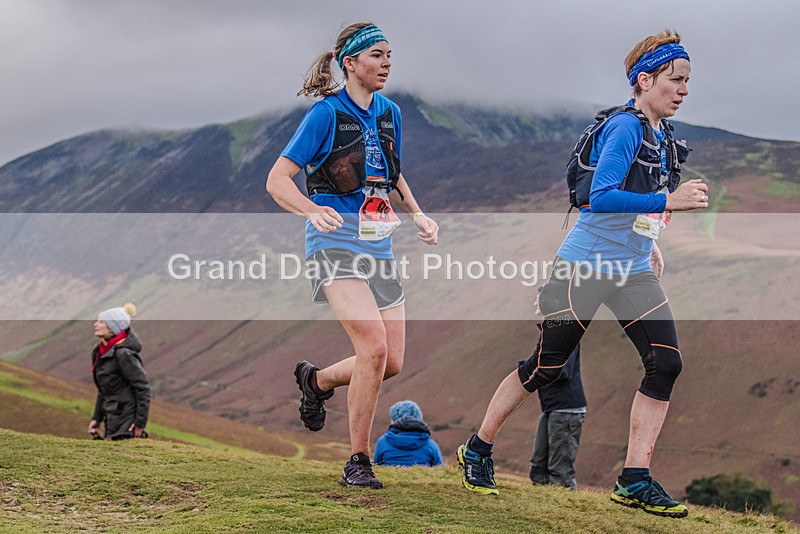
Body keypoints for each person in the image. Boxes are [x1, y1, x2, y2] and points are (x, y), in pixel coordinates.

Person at [458, 30, 707, 518]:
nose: (683, 90)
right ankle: (478, 448)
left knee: (666, 364)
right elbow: (601, 195)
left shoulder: (662, 135)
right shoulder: (626, 128)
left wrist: (651, 241)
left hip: (632, 269)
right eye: (675, 80)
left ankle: (634, 479)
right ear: (645, 80)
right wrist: (669, 200)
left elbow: (633, 201)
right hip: (585, 266)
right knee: (546, 367)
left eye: (687, 81)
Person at [266, 22, 439, 489]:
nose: (387, 63)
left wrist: (418, 213)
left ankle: (318, 381)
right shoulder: (325, 115)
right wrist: (311, 209)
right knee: (373, 348)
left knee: (391, 361)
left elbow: (391, 172)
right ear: (350, 63)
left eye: (390, 55)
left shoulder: (390, 113)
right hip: (334, 246)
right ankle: (357, 462)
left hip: (378, 246)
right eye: (377, 55)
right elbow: (277, 180)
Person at [526, 343, 586, 491]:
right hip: (550, 407)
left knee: (560, 469)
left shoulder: (569, 336)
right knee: (538, 465)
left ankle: (566, 503)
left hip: (567, 409)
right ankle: (539, 499)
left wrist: (533, 369)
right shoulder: (548, 337)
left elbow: (564, 372)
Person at [88, 303, 151, 441]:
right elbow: (104, 390)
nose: (95, 324)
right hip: (112, 416)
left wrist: (140, 423)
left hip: (127, 421)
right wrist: (97, 418)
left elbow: (142, 387)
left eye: (101, 322)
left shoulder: (124, 354)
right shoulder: (98, 352)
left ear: (112, 328)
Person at [374, 400, 445, 467]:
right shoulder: (430, 445)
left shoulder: (382, 442)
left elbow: (375, 467)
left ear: (395, 421)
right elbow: (441, 470)